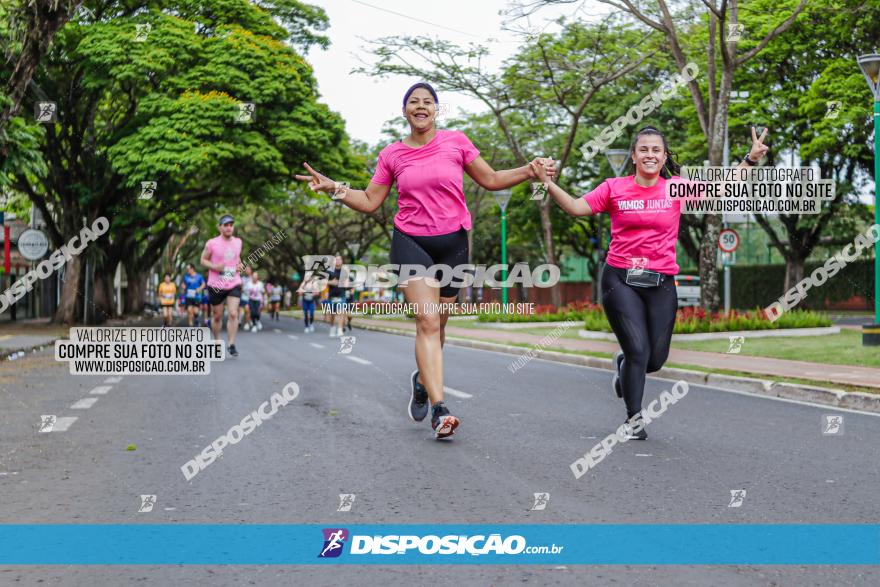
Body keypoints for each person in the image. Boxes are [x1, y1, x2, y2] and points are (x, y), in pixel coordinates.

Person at [296, 81, 556, 439]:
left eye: (428, 102)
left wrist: (529, 170)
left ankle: (422, 381)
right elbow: (371, 200)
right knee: (428, 323)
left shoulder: (457, 142)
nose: (421, 106)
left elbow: (492, 179)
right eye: (414, 102)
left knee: (440, 326)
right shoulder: (391, 154)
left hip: (453, 245)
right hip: (410, 242)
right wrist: (335, 189)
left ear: (436, 110)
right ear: (404, 112)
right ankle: (440, 408)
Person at [531, 125, 769, 440]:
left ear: (664, 156)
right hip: (621, 280)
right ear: (633, 156)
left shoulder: (676, 189)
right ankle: (633, 418)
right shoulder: (613, 188)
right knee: (638, 351)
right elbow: (576, 208)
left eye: (656, 150)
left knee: (655, 360)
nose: (650, 155)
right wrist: (548, 183)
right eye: (643, 149)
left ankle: (623, 364)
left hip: (661, 282)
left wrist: (749, 161)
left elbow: (721, 189)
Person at [200, 214, 243, 356]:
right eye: (226, 225)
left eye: (231, 225)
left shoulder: (238, 242)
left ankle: (231, 344)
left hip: (233, 282)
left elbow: (238, 260)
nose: (229, 227)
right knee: (217, 316)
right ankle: (217, 340)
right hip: (216, 284)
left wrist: (240, 266)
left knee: (233, 313)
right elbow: (202, 260)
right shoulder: (211, 243)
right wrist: (214, 266)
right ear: (220, 227)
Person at [325, 255, 350, 338]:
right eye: (336, 260)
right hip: (332, 296)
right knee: (332, 314)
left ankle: (339, 329)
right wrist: (331, 282)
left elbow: (347, 282)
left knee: (341, 312)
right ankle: (332, 328)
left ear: (342, 261)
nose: (338, 261)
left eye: (339, 259)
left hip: (341, 295)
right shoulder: (330, 271)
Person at [241, 266, 253, 331]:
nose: (247, 271)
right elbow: (241, 288)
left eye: (249, 269)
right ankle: (247, 323)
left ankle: (249, 320)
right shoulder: (242, 279)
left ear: (251, 271)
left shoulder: (253, 278)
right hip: (244, 297)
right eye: (246, 270)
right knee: (247, 310)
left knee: (251, 311)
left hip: (252, 297)